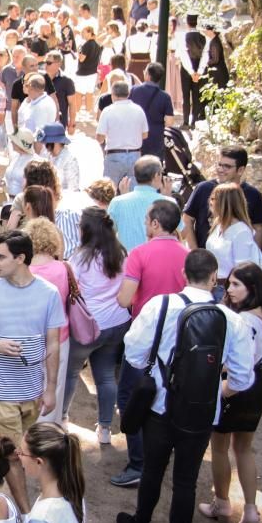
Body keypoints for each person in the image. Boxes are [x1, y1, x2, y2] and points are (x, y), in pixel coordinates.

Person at [116, 249, 254, 523]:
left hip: (160, 407)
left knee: (152, 469)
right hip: (201, 412)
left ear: (182, 273)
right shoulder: (230, 319)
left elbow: (133, 353)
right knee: (186, 482)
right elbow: (244, 377)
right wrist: (216, 388)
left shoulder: (160, 306)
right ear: (214, 278)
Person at [0, 231, 65, 514]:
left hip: (32, 390)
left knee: (28, 451)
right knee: (11, 454)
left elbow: (53, 342)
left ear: (20, 258)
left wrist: (50, 388)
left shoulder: (48, 293)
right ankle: (25, 512)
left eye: (0, 257)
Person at [197, 262, 262, 523]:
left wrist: (222, 388)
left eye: (236, 285)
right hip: (257, 386)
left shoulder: (242, 320)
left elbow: (232, 362)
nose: (229, 289)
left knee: (220, 447)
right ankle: (251, 510)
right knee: (244, 448)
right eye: (229, 283)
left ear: (252, 288)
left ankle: (222, 503)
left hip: (233, 385)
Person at [111, 200, 190, 487]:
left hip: (146, 337)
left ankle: (139, 463)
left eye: (147, 221)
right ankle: (157, 457)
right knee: (165, 398)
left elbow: (124, 299)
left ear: (156, 223)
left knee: (130, 397)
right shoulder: (187, 255)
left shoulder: (139, 253)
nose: (145, 225)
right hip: (180, 337)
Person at [63, 208, 132, 439]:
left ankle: (62, 418)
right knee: (105, 376)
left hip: (88, 326)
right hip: (118, 323)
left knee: (71, 373)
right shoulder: (121, 254)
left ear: (85, 230)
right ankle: (104, 428)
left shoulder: (80, 258)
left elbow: (72, 290)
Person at [17, 422, 87, 523]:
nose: (17, 456)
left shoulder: (43, 518)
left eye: (21, 452)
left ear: (39, 462)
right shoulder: (72, 491)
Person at [25, 219, 72, 425]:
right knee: (55, 386)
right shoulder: (63, 269)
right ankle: (49, 433)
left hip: (28, 338)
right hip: (60, 337)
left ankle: (28, 433)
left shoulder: (21, 271)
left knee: (27, 389)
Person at [182, 145, 262, 249]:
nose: (220, 169)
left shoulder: (253, 195)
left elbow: (258, 228)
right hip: (205, 259)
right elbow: (187, 219)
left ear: (240, 170)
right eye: (219, 164)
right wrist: (195, 251)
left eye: (227, 166)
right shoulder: (203, 189)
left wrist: (253, 260)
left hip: (239, 261)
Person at [106, 155, 176, 251]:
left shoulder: (117, 202)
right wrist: (168, 196)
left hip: (127, 261)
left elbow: (108, 233)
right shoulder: (169, 202)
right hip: (159, 260)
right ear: (156, 175)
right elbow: (181, 234)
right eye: (161, 173)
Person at [205, 182, 262, 281]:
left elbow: (242, 270)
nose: (210, 202)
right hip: (212, 284)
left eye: (213, 199)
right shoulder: (218, 225)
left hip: (227, 287)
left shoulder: (241, 232)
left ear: (225, 203)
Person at [96, 81, 148, 189]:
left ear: (113, 94)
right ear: (128, 94)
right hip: (135, 155)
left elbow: (99, 138)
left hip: (114, 155)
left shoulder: (107, 111)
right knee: (133, 193)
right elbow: (145, 135)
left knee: (109, 193)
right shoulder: (138, 110)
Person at [129, 63, 176, 160]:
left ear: (147, 75)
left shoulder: (134, 90)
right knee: (154, 169)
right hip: (156, 139)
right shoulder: (165, 97)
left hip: (136, 136)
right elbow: (169, 122)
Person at [178, 14, 207, 128]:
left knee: (186, 95)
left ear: (187, 22)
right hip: (199, 66)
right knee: (196, 95)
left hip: (186, 69)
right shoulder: (203, 37)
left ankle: (185, 121)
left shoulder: (183, 37)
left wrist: (191, 71)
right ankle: (194, 121)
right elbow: (205, 55)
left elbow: (183, 55)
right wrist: (198, 71)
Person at [72, 26, 102, 119]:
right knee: (89, 93)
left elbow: (81, 59)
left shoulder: (86, 45)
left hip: (83, 73)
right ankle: (89, 113)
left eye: (84, 32)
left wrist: (78, 51)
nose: (82, 34)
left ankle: (77, 113)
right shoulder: (97, 45)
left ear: (89, 32)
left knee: (78, 93)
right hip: (92, 72)